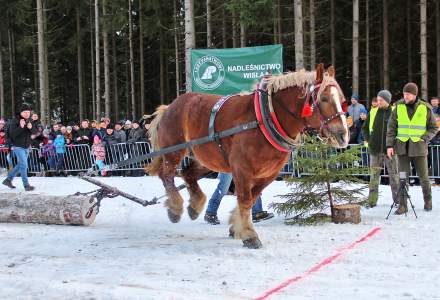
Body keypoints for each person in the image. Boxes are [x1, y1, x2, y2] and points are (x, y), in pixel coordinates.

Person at [386, 83, 438, 213]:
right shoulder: (398, 107)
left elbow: (434, 127)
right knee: (403, 177)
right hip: (402, 148)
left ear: (415, 95)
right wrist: (389, 145)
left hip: (419, 148)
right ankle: (403, 205)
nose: (405, 96)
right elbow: (391, 128)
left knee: (424, 177)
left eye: (408, 94)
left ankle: (428, 201)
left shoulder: (425, 108)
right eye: (404, 94)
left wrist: (425, 138)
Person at [362, 90, 399, 207]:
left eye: (380, 100)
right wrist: (369, 139)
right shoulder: (372, 112)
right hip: (375, 150)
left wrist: (394, 145)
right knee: (374, 176)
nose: (378, 102)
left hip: (390, 151)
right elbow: (364, 128)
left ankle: (398, 200)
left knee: (394, 176)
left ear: (387, 100)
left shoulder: (395, 112)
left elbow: (399, 130)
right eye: (377, 100)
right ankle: (372, 201)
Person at [204, 172, 274, 225]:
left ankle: (257, 212)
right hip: (227, 163)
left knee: (251, 185)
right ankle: (210, 213)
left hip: (242, 161)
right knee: (223, 188)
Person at [2, 104, 36, 191]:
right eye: (25, 112)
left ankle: (8, 180)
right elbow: (13, 135)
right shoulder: (15, 121)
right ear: (21, 112)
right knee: (24, 165)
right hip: (18, 146)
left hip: (27, 146)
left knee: (20, 165)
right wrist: (21, 127)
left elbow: (34, 132)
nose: (27, 114)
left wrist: (31, 128)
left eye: (28, 112)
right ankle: (26, 185)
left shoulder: (29, 120)